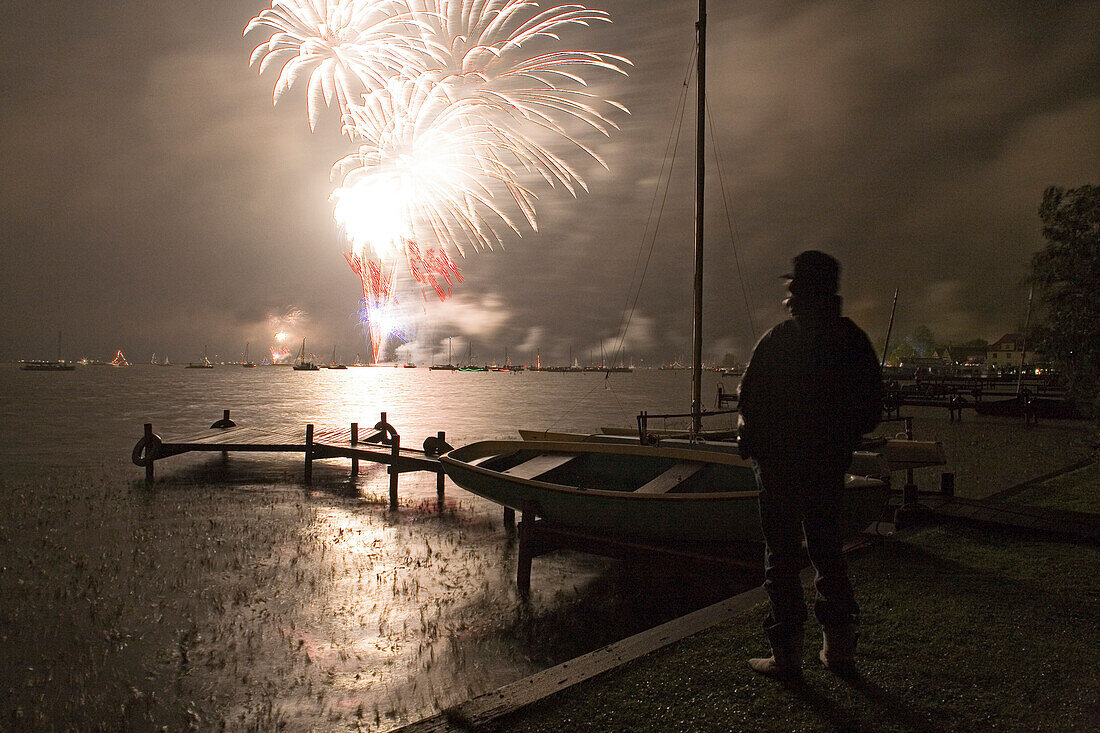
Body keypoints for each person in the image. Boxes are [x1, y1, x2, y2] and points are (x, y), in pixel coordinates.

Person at [738, 250, 883, 678]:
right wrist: (838, 437)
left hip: (779, 472)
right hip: (826, 469)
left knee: (781, 559)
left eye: (795, 290)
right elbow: (871, 410)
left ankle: (786, 654)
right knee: (827, 553)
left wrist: (754, 440)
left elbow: (747, 404)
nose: (789, 299)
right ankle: (837, 648)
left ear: (804, 293)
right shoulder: (853, 341)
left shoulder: (778, 340)